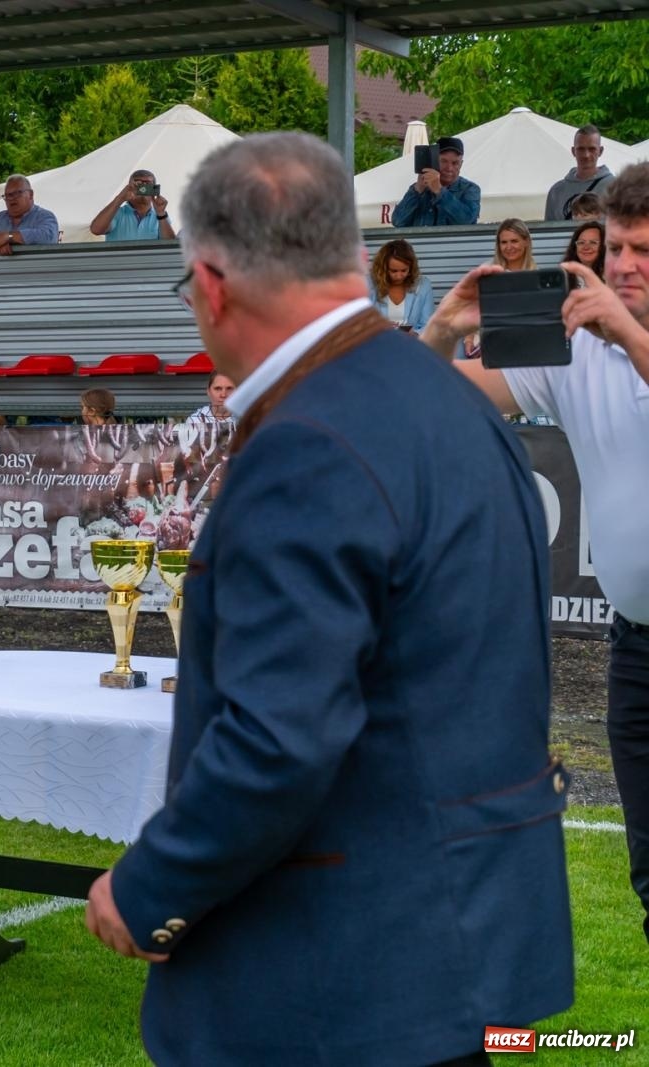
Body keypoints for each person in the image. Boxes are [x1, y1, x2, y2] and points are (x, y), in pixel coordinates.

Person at [84, 132, 572, 1064]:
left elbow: (278, 738)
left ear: (213, 283)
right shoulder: (450, 400)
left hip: (340, 973)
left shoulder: (309, 439)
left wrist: (148, 887)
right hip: (460, 941)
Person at [422, 161, 649, 946]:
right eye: (616, 247)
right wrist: (445, 331)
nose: (622, 265)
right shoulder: (579, 347)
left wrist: (626, 332)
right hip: (638, 646)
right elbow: (434, 402)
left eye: (643, 249)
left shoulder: (611, 333)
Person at [392, 136, 481, 227]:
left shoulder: (470, 189)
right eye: (443, 161)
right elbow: (398, 222)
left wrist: (439, 191)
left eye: (455, 163)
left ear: (461, 164)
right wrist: (417, 190)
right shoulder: (419, 188)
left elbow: (466, 221)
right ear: (433, 161)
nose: (449, 168)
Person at [0, 175, 59, 255]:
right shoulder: (0, 218)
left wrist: (9, 237)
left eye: (17, 193)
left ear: (31, 194)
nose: (11, 199)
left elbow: (48, 236)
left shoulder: (44, 216)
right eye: (7, 195)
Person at [546, 124, 615, 222]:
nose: (586, 155)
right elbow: (549, 232)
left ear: (600, 151)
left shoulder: (615, 189)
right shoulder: (556, 192)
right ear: (573, 151)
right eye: (581, 149)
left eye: (592, 149)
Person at [367, 238, 435, 333]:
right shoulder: (369, 283)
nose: (399, 276)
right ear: (383, 268)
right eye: (393, 271)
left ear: (411, 268)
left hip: (411, 344)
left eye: (404, 270)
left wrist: (415, 334)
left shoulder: (423, 285)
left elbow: (428, 325)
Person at [90, 169, 176, 242]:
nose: (143, 188)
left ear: (154, 189)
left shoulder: (160, 216)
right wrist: (120, 198)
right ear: (129, 187)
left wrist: (161, 214)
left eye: (147, 184)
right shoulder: (117, 213)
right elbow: (96, 230)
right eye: (138, 184)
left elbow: (170, 244)